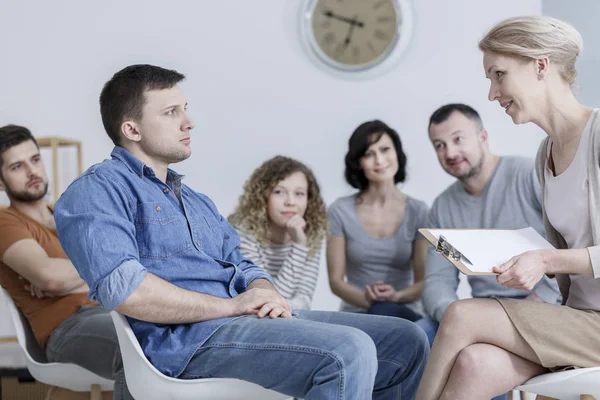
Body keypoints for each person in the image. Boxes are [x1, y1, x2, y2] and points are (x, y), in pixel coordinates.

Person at [54, 64, 429, 399]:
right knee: (348, 350)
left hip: (245, 322)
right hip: (188, 342)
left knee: (407, 340)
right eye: (171, 112)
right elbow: (127, 291)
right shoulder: (98, 191)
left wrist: (263, 291)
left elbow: (242, 262)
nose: (189, 121)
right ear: (131, 129)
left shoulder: (196, 200)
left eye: (185, 109)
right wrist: (232, 306)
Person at [415, 16, 600, 400]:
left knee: (461, 315)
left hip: (593, 326)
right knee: (473, 365)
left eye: (499, 75)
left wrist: (546, 261)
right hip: (575, 319)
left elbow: (555, 261)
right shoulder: (544, 155)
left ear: (540, 65)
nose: (492, 94)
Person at [0, 125, 133, 399]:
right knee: (134, 350)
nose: (32, 172)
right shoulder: (6, 222)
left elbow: (131, 256)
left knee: (178, 336)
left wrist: (75, 279)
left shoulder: (68, 213)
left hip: (115, 310)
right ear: (0, 181)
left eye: (35, 160)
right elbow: (50, 277)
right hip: (67, 327)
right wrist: (107, 271)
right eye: (17, 167)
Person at [417, 103, 561, 348]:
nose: (450, 153)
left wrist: (542, 298)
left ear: (482, 137)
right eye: (439, 145)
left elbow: (570, 242)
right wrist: (452, 315)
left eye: (458, 139)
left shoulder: (528, 175)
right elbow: (437, 281)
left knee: (479, 357)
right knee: (417, 336)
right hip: (482, 309)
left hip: (544, 305)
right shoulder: (443, 208)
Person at [327, 120, 429, 321]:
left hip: (404, 313)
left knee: (386, 313)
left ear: (397, 153)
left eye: (385, 150)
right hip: (356, 313)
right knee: (380, 314)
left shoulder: (419, 211)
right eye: (369, 154)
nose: (379, 160)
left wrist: (395, 297)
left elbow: (424, 282)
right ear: (358, 162)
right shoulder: (340, 210)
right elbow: (336, 282)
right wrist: (372, 301)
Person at [228, 156, 327, 310]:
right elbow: (266, 300)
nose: (290, 202)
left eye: (299, 193)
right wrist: (299, 247)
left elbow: (305, 300)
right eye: (279, 192)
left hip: (292, 318)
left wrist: (300, 242)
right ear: (262, 196)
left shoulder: (311, 234)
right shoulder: (243, 233)